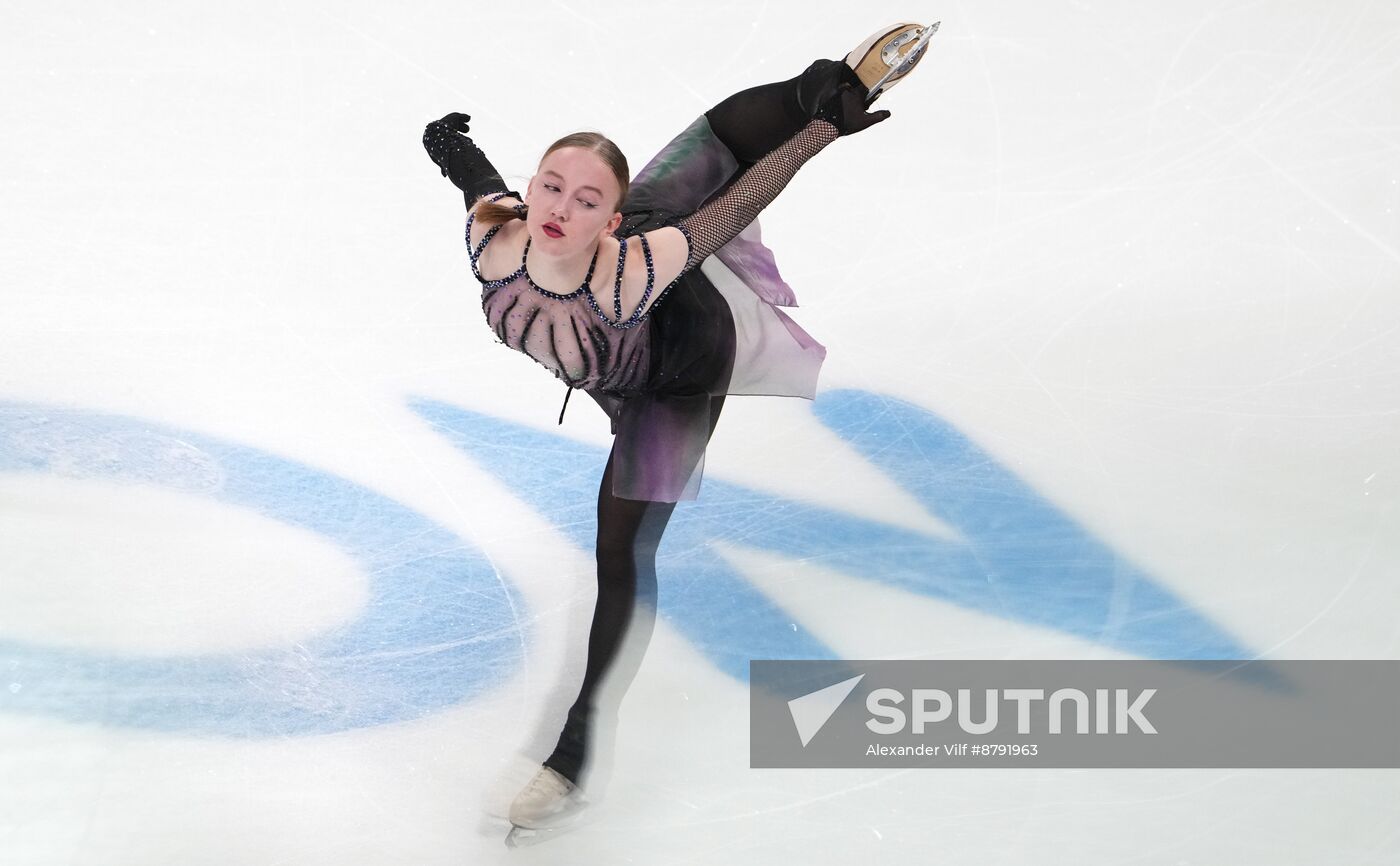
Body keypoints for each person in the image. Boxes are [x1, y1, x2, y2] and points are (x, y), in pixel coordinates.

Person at [421, 23, 935, 844]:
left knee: (622, 549)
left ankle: (576, 752)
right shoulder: (496, 234)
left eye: (587, 200)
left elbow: (740, 201)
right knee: (707, 139)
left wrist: (819, 133)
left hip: (676, 375)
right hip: (608, 355)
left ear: (609, 216)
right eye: (551, 188)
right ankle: (823, 79)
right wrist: (446, 145)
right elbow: (477, 182)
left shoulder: (640, 265)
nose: (560, 209)